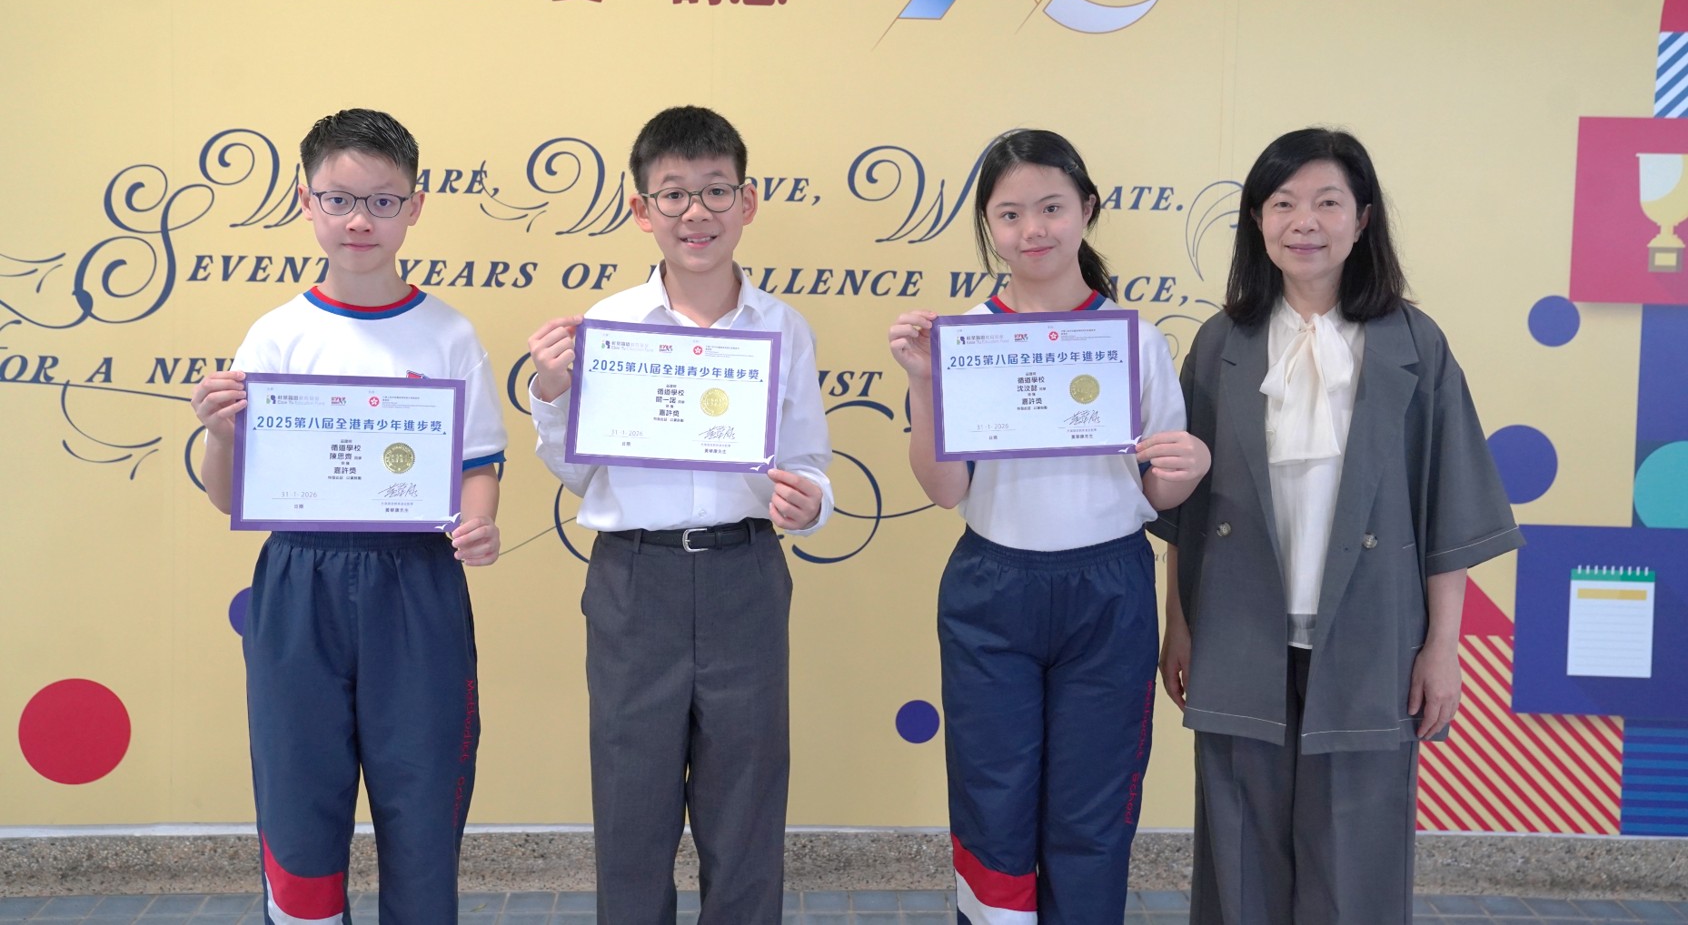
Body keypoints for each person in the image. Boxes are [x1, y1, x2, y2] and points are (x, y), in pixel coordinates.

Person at [1153, 127, 1523, 924]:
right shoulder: (1220, 344)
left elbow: (1447, 509)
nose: (1304, 222)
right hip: (1238, 630)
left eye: (1327, 201)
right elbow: (1184, 513)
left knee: (1357, 854)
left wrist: (1443, 647)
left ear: (1362, 219)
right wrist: (1178, 626)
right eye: (1283, 203)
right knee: (1238, 851)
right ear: (1257, 220)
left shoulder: (1415, 345)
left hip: (1372, 638)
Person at [189, 109, 507, 924]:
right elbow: (228, 494)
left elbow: (477, 465)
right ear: (306, 202)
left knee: (424, 796)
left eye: (382, 201)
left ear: (415, 205)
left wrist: (478, 523)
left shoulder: (449, 334)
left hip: (418, 583)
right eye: (338, 199)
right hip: (301, 578)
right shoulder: (278, 335)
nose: (359, 220)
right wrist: (220, 432)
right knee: (297, 793)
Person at [887, 128, 1210, 925]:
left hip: (1109, 590)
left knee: (1092, 809)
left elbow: (1159, 489)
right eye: (1010, 214)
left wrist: (1189, 467)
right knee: (991, 799)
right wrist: (924, 383)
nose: (1033, 229)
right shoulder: (961, 338)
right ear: (988, 226)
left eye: (1052, 207)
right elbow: (944, 489)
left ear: (1087, 209)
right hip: (992, 589)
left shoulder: (1135, 341)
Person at [526, 105, 833, 925]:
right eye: (673, 194)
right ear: (642, 209)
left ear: (747, 201)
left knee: (747, 806)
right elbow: (577, 471)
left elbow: (809, 459)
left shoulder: (784, 328)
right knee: (631, 805)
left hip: (745, 573)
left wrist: (810, 501)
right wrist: (552, 392)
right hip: (635, 580)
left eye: (715, 190)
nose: (696, 211)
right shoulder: (607, 326)